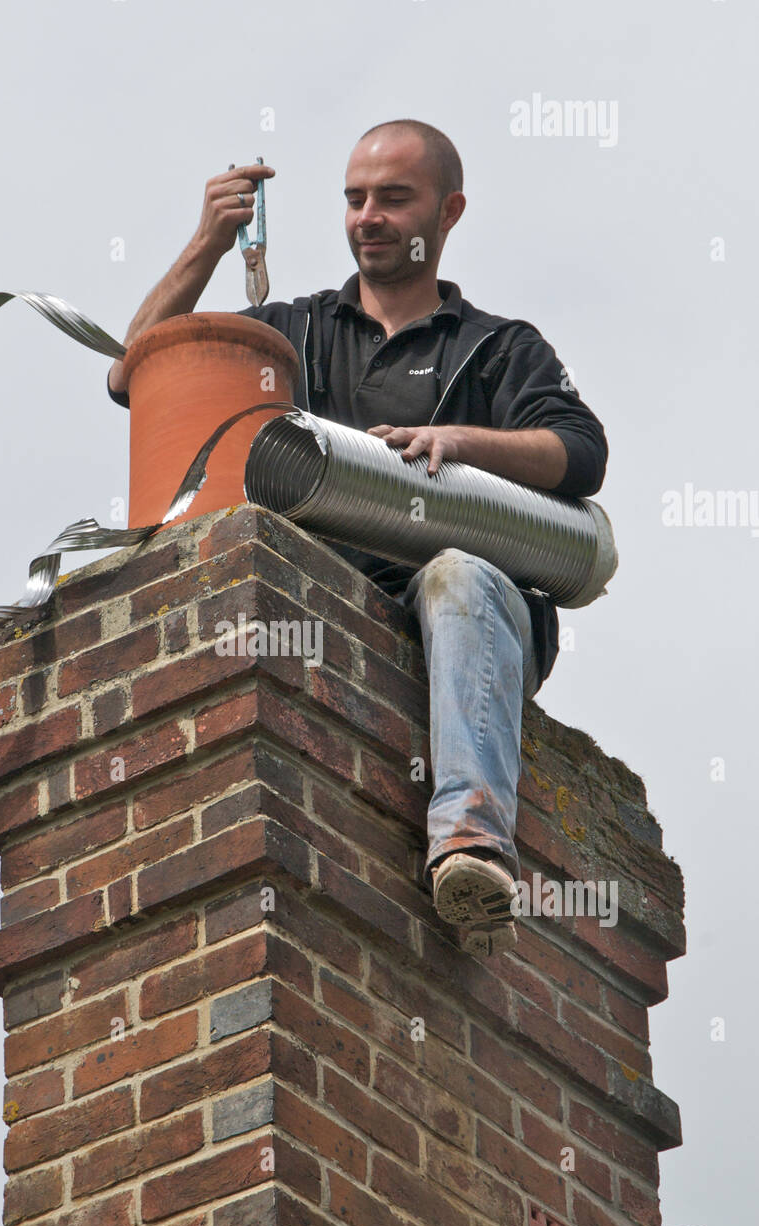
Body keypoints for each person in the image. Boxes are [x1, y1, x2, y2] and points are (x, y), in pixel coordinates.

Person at [107, 119, 609, 959]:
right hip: (338, 602)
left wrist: (460, 442)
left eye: (393, 199)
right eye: (354, 198)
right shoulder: (297, 333)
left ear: (448, 213)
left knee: (460, 574)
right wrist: (205, 243)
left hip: (475, 609)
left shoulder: (496, 348)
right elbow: (134, 376)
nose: (368, 216)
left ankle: (471, 845)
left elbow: (581, 454)